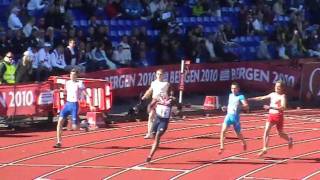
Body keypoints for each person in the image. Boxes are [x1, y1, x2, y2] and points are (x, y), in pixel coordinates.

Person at [248, 80, 293, 157]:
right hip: (271, 115)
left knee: (280, 134)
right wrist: (251, 99)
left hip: (278, 116)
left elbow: (283, 107)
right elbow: (262, 98)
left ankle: (289, 139)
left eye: (278, 87)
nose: (276, 88)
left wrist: (271, 107)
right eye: (276, 86)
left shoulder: (282, 96)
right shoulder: (272, 94)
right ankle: (264, 148)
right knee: (266, 131)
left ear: (281, 88)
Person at [53, 68, 88, 148]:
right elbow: (66, 91)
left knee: (75, 127)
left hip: (74, 105)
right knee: (60, 122)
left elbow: (84, 91)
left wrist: (89, 99)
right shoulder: (68, 83)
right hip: (67, 104)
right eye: (71, 75)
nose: (72, 76)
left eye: (73, 75)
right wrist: (60, 90)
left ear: (76, 76)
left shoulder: (79, 83)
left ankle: (84, 125)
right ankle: (59, 142)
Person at [146, 91, 176, 163]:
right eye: (168, 93)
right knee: (153, 136)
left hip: (164, 122)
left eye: (171, 94)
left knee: (157, 136)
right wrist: (150, 110)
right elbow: (150, 105)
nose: (169, 95)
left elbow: (179, 106)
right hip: (157, 120)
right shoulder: (158, 98)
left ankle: (150, 155)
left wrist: (175, 111)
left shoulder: (172, 100)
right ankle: (156, 145)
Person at [219, 82, 248, 154]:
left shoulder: (241, 96)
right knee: (223, 130)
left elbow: (246, 106)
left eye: (235, 88)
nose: (233, 90)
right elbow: (230, 105)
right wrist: (225, 108)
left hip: (235, 117)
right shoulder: (230, 95)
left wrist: (241, 106)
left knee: (238, 134)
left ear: (238, 89)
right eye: (232, 88)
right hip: (228, 115)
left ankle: (243, 142)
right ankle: (222, 146)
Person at [141, 69, 170, 139]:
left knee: (159, 118)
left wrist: (168, 99)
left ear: (163, 75)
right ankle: (149, 133)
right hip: (154, 101)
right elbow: (150, 90)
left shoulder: (166, 84)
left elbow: (169, 93)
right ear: (156, 75)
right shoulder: (153, 83)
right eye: (158, 74)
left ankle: (156, 131)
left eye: (161, 74)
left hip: (162, 102)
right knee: (150, 116)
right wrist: (145, 96)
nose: (159, 76)